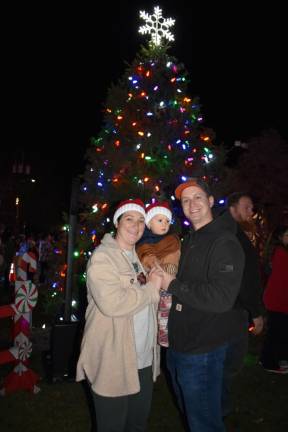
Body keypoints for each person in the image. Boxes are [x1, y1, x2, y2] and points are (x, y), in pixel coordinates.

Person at [159, 177, 245, 432]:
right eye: (185, 200)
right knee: (191, 412)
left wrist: (172, 285)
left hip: (202, 350)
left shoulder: (224, 242)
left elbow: (221, 298)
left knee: (204, 422)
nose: (191, 204)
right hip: (181, 344)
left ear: (210, 201)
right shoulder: (193, 238)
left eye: (198, 197)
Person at [76, 198, 163, 432]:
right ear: (117, 222)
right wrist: (151, 289)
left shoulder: (137, 258)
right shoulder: (103, 258)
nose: (136, 225)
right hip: (113, 359)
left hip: (143, 359)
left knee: (137, 424)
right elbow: (113, 304)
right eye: (129, 219)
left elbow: (145, 300)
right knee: (112, 426)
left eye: (141, 221)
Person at [223, 192, 264, 415]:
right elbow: (244, 278)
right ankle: (219, 408)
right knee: (230, 362)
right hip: (232, 311)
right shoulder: (232, 235)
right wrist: (255, 312)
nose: (251, 211)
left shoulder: (240, 232)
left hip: (234, 309)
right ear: (233, 207)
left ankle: (220, 404)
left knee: (230, 363)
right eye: (247, 207)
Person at [136, 201, 181, 347]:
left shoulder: (172, 240)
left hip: (168, 281)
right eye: (160, 220)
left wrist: (168, 269)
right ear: (149, 224)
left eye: (167, 221)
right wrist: (153, 267)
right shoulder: (142, 242)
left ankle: (164, 333)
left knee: (166, 309)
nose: (165, 224)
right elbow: (145, 257)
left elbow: (174, 256)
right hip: (150, 282)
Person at [260, 225, 288, 374]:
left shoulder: (277, 252)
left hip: (276, 299)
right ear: (279, 236)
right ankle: (268, 361)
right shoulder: (281, 252)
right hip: (278, 300)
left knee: (278, 331)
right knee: (276, 333)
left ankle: (276, 358)